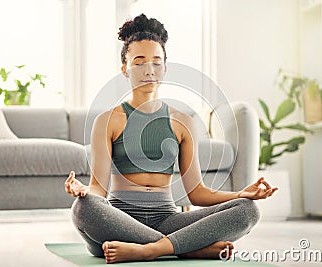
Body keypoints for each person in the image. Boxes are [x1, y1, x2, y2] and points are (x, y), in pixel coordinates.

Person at [64, 13, 278, 264]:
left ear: (165, 67)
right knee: (84, 209)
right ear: (125, 69)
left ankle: (149, 250)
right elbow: (99, 188)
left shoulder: (183, 122)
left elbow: (197, 193)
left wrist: (242, 193)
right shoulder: (107, 120)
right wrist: (84, 191)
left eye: (156, 62)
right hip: (120, 219)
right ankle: (184, 247)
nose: (149, 70)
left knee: (247, 211)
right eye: (139, 62)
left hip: (168, 219)